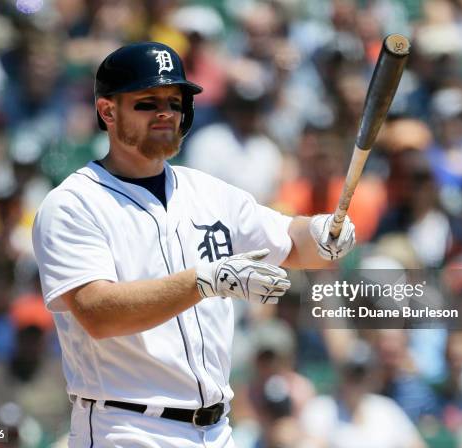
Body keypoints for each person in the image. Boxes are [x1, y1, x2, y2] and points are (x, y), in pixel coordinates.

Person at [31, 41, 356, 447]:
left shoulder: (209, 192)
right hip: (128, 427)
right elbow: (98, 313)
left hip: (217, 430)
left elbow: (293, 243)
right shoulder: (74, 204)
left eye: (175, 99)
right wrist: (204, 280)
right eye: (147, 102)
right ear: (107, 111)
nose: (166, 112)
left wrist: (324, 232)